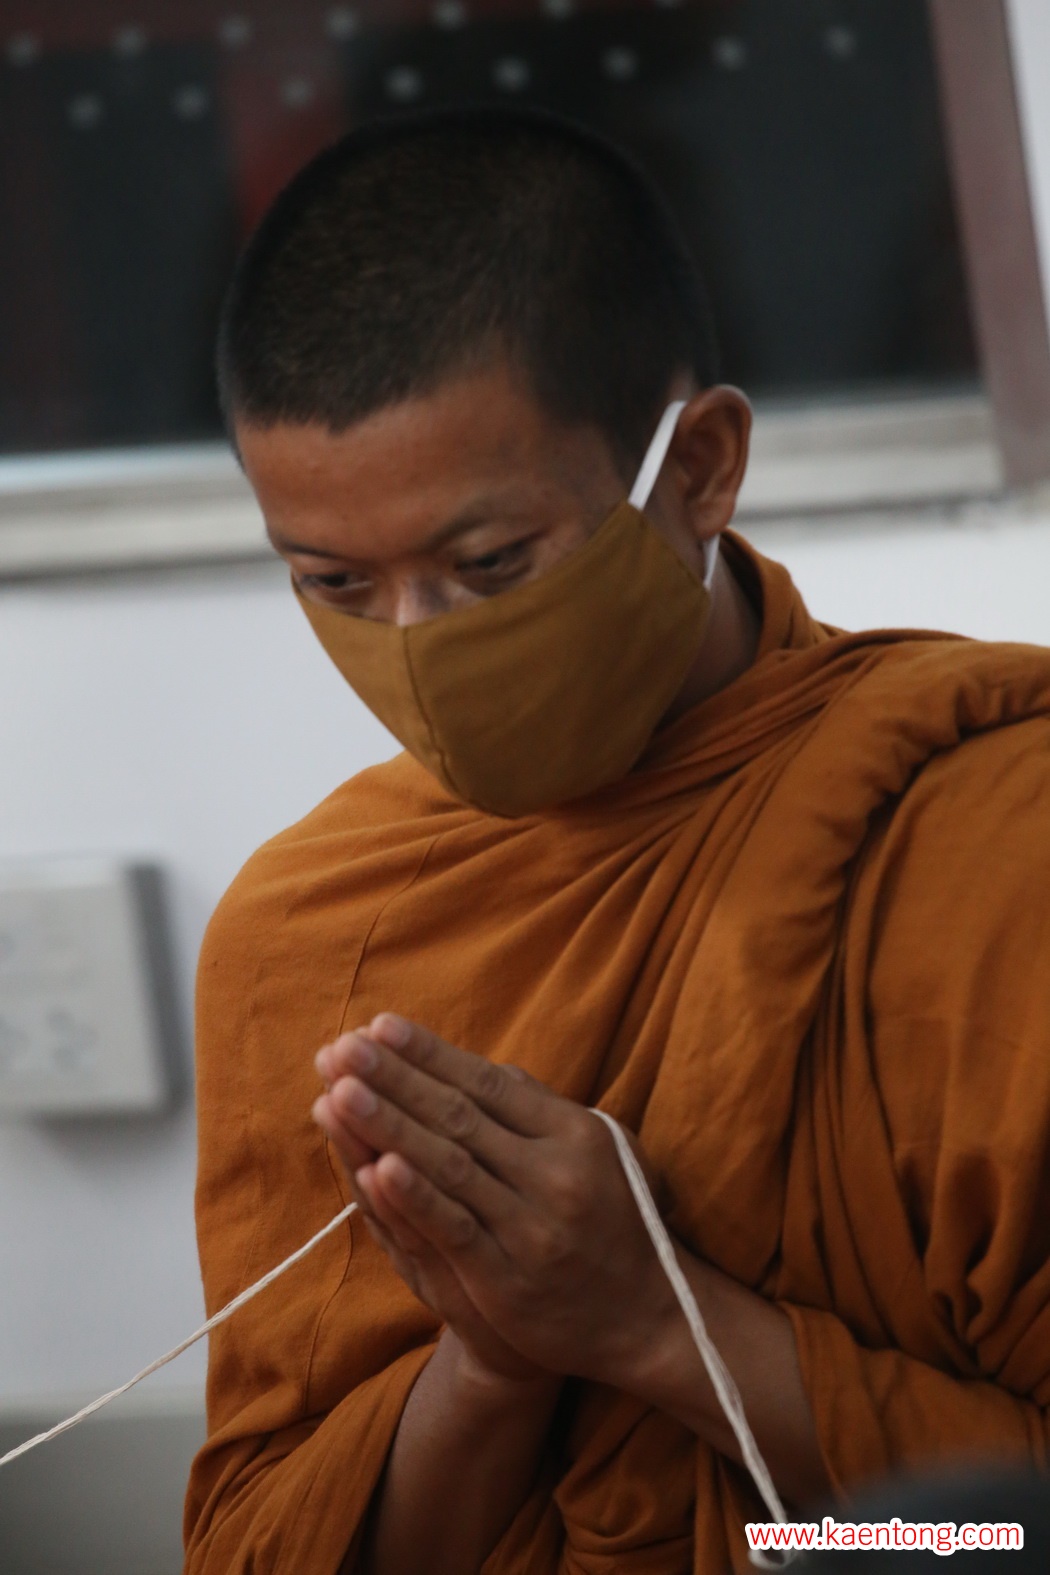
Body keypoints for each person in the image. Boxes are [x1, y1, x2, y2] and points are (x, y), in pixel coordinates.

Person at [183, 108, 1050, 1575]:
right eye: (335, 583)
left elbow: (1004, 1534)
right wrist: (494, 1360)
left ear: (697, 468)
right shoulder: (309, 930)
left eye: (488, 565)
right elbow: (271, 1551)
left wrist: (657, 1323)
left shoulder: (999, 843)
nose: (418, 647)